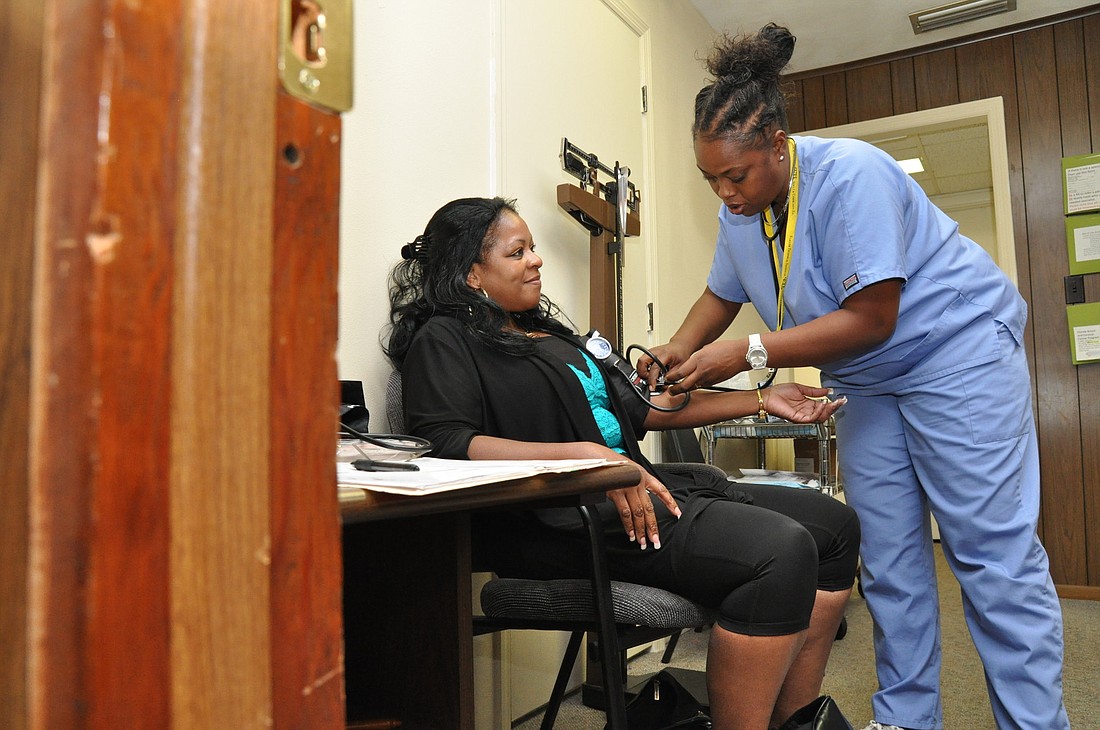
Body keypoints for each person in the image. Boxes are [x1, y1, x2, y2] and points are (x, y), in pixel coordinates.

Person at [637, 23, 1070, 730]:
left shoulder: (854, 175)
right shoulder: (739, 212)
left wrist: (747, 356)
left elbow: (872, 316)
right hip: (868, 381)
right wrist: (672, 355)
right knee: (892, 562)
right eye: (709, 178)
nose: (725, 192)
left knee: (991, 557)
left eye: (736, 174)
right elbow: (721, 295)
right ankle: (905, 718)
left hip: (955, 353)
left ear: (778, 144)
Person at [383, 196, 860, 730]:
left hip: (631, 494)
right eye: (518, 253)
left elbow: (646, 409)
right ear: (471, 275)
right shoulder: (446, 339)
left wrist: (758, 399)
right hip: (560, 518)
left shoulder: (553, 337)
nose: (536, 260)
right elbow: (445, 441)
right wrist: (587, 459)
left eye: (533, 248)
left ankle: (792, 721)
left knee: (835, 526)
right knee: (780, 550)